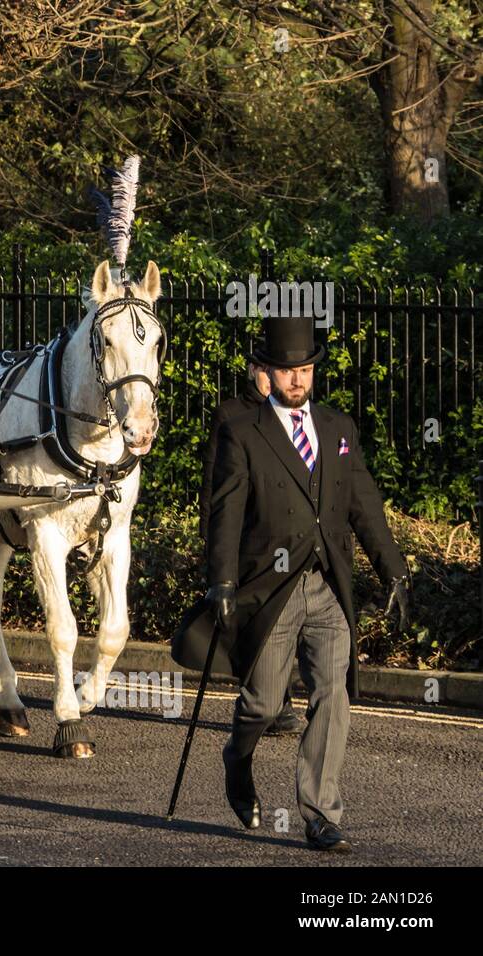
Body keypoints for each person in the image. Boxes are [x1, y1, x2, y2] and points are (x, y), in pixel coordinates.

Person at [175, 313, 411, 852]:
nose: (297, 380)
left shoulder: (338, 428)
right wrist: (224, 582)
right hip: (271, 589)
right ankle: (237, 758)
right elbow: (225, 514)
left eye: (304, 369)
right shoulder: (243, 431)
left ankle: (321, 814)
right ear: (266, 372)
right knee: (260, 705)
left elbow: (364, 506)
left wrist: (392, 567)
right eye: (286, 371)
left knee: (332, 694)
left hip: (327, 588)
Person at [199, 361, 304, 737]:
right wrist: (211, 540)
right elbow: (213, 479)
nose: (270, 380)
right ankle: (267, 701)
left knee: (283, 621)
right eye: (265, 371)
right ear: (252, 372)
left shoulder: (290, 413)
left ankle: (280, 700)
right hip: (243, 540)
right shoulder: (231, 413)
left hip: (281, 539)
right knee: (253, 625)